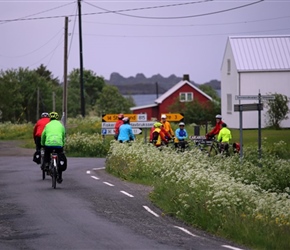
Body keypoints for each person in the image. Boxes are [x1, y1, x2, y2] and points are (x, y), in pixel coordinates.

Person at [41, 111, 66, 184]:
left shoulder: (47, 125)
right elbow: (64, 135)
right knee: (60, 156)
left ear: (50, 118)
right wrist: (63, 144)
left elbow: (43, 136)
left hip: (49, 144)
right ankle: (60, 177)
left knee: (47, 153)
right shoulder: (61, 125)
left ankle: (47, 164)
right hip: (59, 144)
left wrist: (42, 143)